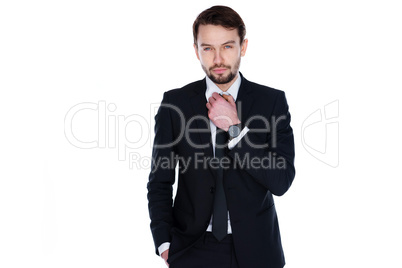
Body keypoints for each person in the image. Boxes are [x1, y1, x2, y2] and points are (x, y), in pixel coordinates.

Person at [147, 5, 295, 268]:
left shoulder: (272, 102)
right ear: (196, 51)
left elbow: (281, 181)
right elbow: (160, 181)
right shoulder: (174, 104)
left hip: (257, 250)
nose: (217, 59)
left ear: (243, 46)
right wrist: (164, 244)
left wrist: (235, 129)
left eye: (227, 46)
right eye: (208, 48)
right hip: (191, 248)